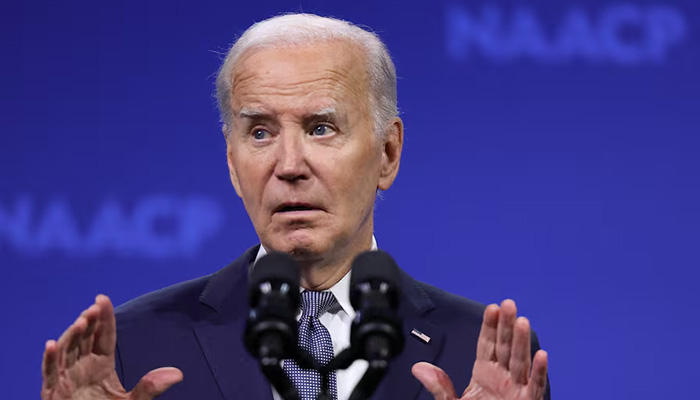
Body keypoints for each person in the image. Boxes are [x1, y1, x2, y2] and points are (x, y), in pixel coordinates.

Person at [41, 13, 550, 400]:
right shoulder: (133, 344)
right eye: (259, 132)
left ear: (388, 154)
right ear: (232, 163)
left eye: (320, 128)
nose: (288, 165)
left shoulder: (483, 356)